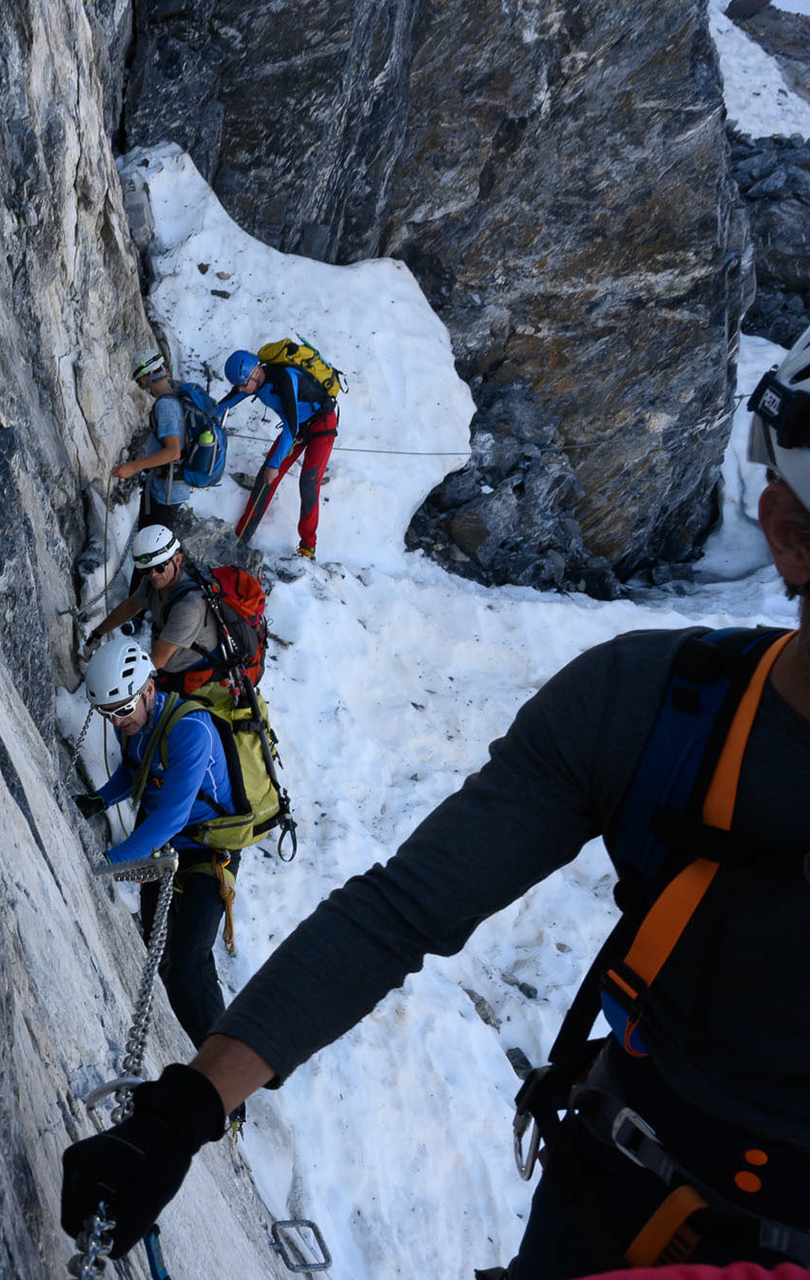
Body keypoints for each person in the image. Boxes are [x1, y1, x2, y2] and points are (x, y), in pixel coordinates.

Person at [57, 329, 810, 1273]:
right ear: (785, 532)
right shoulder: (646, 711)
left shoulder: (661, 712)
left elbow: (396, 912)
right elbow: (400, 911)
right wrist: (186, 1111)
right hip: (613, 1210)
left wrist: (185, 1110)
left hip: (618, 1206)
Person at [72, 639, 244, 1053]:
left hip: (209, 851)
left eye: (122, 710)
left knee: (190, 963)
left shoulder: (191, 730)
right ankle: (175, 1048)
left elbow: (173, 817)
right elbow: (135, 771)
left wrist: (109, 861)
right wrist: (99, 800)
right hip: (165, 845)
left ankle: (225, 1089)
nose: (116, 722)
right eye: (106, 714)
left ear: (149, 689)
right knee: (157, 951)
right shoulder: (143, 722)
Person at [218, 348, 338, 558]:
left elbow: (290, 427)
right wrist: (206, 413)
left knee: (309, 482)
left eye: (244, 385)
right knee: (265, 479)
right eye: (240, 386)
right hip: (299, 427)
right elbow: (229, 401)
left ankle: (308, 546)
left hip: (321, 425)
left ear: (256, 373)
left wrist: (275, 464)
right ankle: (241, 537)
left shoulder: (284, 378)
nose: (242, 390)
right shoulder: (254, 382)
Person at [82, 526, 227, 690]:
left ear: (178, 560)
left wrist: (111, 682)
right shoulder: (155, 581)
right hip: (172, 667)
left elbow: (157, 660)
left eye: (160, 567)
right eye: (145, 569)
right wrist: (97, 634)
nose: (153, 575)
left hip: (196, 677)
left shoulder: (189, 608)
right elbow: (131, 605)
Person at [112, 351, 188, 526]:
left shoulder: (165, 405)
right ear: (165, 371)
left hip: (165, 493)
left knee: (151, 548)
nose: (142, 386)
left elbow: (173, 452)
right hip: (168, 487)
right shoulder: (176, 395)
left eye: (140, 383)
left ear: (145, 380)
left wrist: (132, 467)